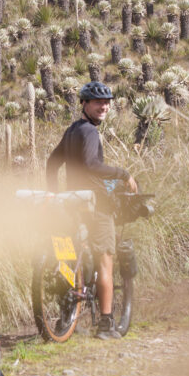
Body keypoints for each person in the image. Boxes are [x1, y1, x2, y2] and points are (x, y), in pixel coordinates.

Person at [45, 80, 137, 340]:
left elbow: (52, 163)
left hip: (72, 202)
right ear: (84, 104)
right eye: (97, 102)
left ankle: (67, 315)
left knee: (69, 253)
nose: (104, 106)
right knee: (105, 259)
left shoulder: (73, 130)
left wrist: (55, 194)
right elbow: (91, 165)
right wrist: (123, 174)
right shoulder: (89, 132)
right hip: (94, 205)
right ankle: (107, 325)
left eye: (107, 102)